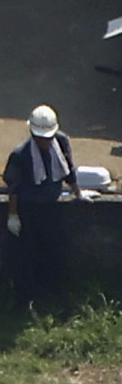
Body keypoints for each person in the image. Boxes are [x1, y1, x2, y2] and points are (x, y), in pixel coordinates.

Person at [5, 103, 79, 309]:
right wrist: (13, 215)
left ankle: (53, 294)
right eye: (41, 138)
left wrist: (78, 193)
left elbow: (69, 169)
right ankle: (25, 300)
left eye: (48, 138)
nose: (45, 142)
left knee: (54, 252)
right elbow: (14, 187)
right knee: (27, 255)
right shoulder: (20, 155)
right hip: (29, 210)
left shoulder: (61, 142)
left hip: (52, 207)